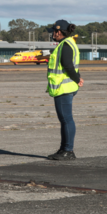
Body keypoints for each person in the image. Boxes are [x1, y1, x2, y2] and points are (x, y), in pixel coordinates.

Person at [46, 20, 83, 160]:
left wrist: (77, 79)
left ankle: (68, 150)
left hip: (63, 88)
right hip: (66, 87)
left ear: (59, 31)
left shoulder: (65, 45)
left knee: (66, 119)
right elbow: (72, 66)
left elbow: (67, 65)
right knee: (65, 120)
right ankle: (64, 149)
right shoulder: (69, 43)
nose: (52, 34)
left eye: (53, 32)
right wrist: (78, 77)